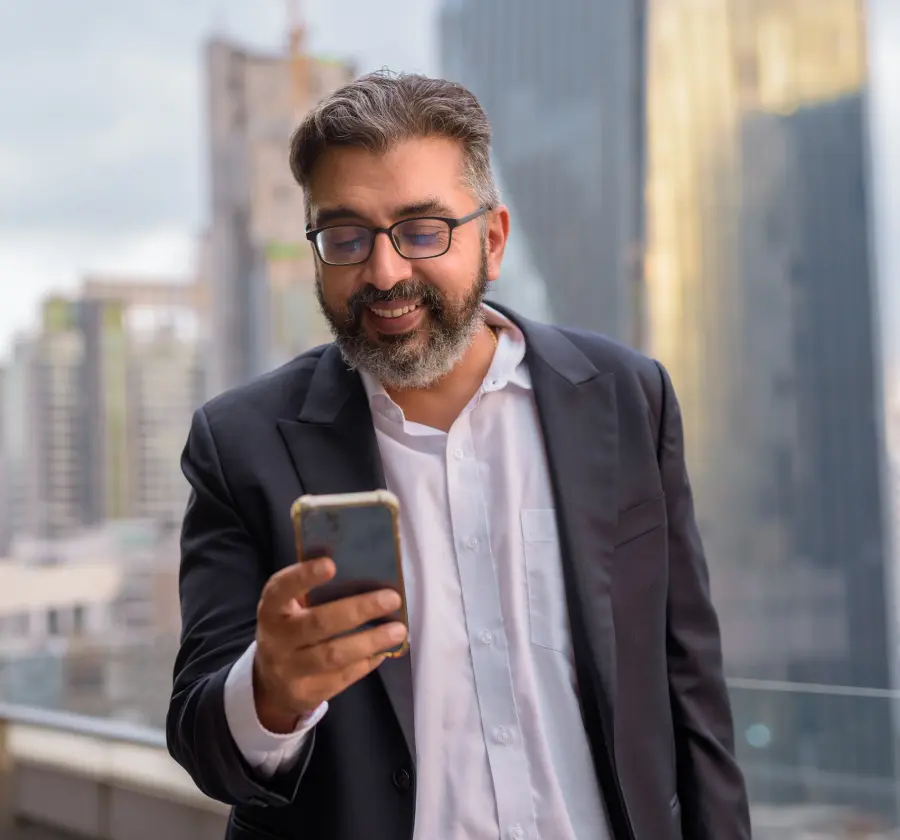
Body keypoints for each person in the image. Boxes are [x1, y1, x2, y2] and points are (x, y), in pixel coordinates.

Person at [167, 71, 751, 840]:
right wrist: (271, 691)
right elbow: (203, 739)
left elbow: (692, 695)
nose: (384, 272)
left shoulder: (623, 398)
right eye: (346, 237)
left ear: (494, 239)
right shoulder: (239, 445)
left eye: (421, 230)